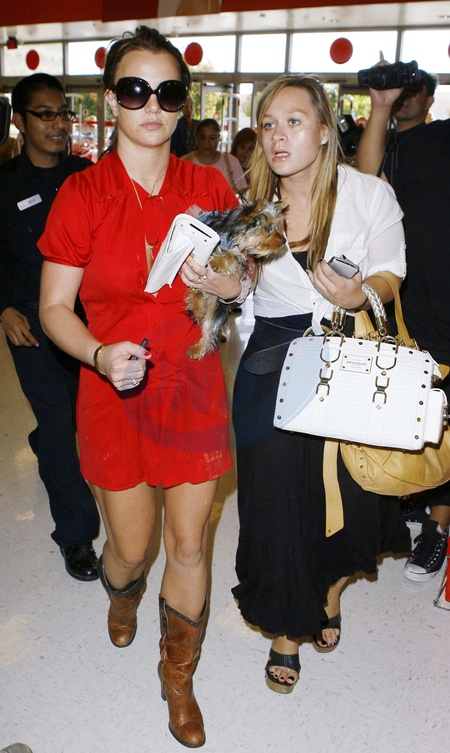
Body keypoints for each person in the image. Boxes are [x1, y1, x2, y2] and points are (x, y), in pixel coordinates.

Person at [38, 26, 241, 748]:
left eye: (168, 91)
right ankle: (121, 594)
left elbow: (240, 277)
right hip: (113, 389)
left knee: (189, 543)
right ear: (110, 101)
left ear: (183, 103)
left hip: (192, 383)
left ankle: (177, 676)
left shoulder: (208, 185)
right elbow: (53, 308)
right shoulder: (83, 193)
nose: (152, 105)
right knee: (130, 546)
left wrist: (224, 282)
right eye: (134, 89)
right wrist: (98, 353)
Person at [231, 73, 410, 694]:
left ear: (326, 130)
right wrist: (226, 286)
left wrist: (362, 293)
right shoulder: (253, 206)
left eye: (294, 121)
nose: (278, 136)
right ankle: (288, 627)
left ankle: (329, 590)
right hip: (273, 358)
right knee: (275, 499)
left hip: (349, 352)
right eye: (268, 124)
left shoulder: (369, 195)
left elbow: (391, 271)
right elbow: (240, 289)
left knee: (347, 492)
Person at [0, 73, 100, 582]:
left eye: (63, 113)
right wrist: (3, 308)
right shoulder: (4, 184)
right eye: (45, 114)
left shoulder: (87, 176)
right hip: (29, 323)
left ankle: (45, 437)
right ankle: (76, 535)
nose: (58, 123)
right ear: (20, 121)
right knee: (61, 425)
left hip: (86, 320)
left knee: (76, 414)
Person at [356, 62, 450, 583]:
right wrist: (381, 105)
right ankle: (415, 491)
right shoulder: (386, 143)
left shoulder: (443, 136)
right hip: (404, 301)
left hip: (445, 295)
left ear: (431, 98)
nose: (405, 95)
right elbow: (366, 181)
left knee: (447, 412)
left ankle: (439, 525)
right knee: (412, 404)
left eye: (414, 88)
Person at [182, 118, 247, 193]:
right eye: (203, 138)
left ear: (219, 138)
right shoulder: (184, 163)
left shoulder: (232, 162)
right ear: (196, 138)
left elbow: (242, 194)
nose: (207, 143)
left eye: (212, 138)